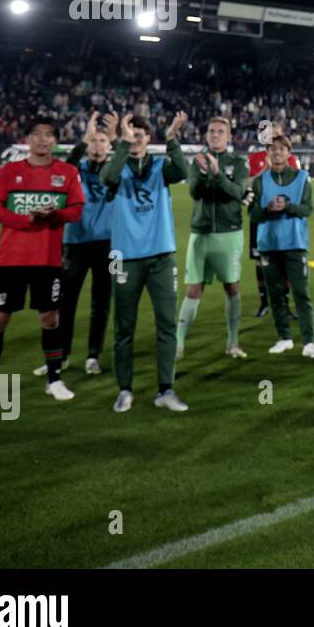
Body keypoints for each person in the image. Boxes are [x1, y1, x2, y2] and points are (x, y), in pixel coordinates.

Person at [0, 117, 84, 411]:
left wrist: (53, 214)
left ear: (55, 140)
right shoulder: (9, 171)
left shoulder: (67, 172)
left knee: (50, 319)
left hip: (47, 259)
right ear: (27, 139)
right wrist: (28, 219)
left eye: (49, 135)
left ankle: (54, 380)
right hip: (11, 259)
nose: (43, 140)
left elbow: (77, 210)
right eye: (37, 135)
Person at [102, 112, 192, 413]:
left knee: (167, 324)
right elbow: (108, 179)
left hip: (161, 256)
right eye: (131, 134)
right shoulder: (117, 163)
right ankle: (124, 389)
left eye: (140, 134)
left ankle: (165, 389)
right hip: (123, 258)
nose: (136, 138)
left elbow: (182, 171)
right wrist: (122, 145)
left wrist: (172, 139)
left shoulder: (158, 166)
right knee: (123, 327)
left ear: (148, 138)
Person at [177, 117, 250, 359]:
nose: (216, 135)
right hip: (202, 232)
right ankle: (178, 343)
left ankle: (232, 342)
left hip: (229, 233)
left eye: (221, 131)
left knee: (232, 286)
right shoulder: (196, 162)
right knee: (193, 289)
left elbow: (238, 193)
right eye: (212, 131)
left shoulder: (238, 163)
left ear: (229, 137)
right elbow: (195, 192)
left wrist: (218, 175)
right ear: (206, 135)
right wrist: (206, 172)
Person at [54, 111, 115, 376]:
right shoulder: (74, 171)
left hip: (106, 245)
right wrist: (83, 139)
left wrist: (119, 139)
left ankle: (93, 355)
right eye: (94, 140)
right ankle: (62, 355)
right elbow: (67, 163)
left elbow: (124, 167)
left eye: (103, 140)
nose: (98, 145)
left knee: (100, 303)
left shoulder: (114, 172)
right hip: (74, 243)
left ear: (109, 145)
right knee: (66, 303)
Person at [252, 136, 314, 359]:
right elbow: (252, 214)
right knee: (276, 295)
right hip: (269, 245)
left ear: (289, 153)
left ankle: (309, 342)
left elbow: (308, 210)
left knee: (301, 293)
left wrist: (288, 205)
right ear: (268, 154)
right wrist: (268, 209)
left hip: (294, 244)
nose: (277, 153)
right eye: (273, 149)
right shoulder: (260, 181)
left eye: (281, 149)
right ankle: (284, 338)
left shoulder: (302, 178)